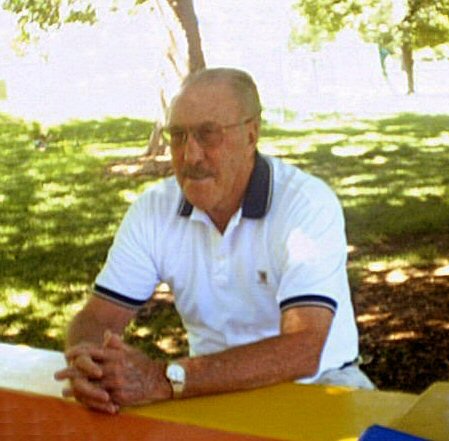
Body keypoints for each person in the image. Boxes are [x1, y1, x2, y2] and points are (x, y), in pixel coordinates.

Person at [55, 67, 374, 414]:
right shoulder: (154, 210)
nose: (190, 155)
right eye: (178, 136)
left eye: (208, 134)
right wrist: (89, 364)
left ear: (251, 135)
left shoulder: (305, 204)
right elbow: (98, 317)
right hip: (206, 391)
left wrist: (163, 379)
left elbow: (303, 348)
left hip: (320, 386)